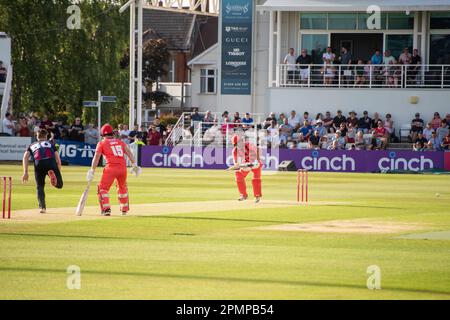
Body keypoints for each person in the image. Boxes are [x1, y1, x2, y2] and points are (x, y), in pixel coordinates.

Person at [87, 124, 141, 216]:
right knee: (122, 188)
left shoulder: (102, 143)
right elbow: (129, 153)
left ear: (103, 134)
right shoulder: (120, 142)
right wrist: (134, 165)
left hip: (110, 168)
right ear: (112, 133)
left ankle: (106, 209)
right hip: (122, 169)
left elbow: (96, 157)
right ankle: (124, 209)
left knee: (103, 189)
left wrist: (92, 170)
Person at [21, 129, 63, 214]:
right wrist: (57, 171)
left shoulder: (32, 145)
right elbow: (58, 159)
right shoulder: (51, 144)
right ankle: (54, 180)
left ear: (37, 136)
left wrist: (25, 172)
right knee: (60, 185)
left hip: (39, 163)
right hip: (51, 162)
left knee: (40, 186)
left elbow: (25, 157)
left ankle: (42, 207)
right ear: (46, 136)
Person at [231, 134, 262, 203]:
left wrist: (257, 160)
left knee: (256, 179)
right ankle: (243, 195)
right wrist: (240, 165)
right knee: (238, 174)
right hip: (246, 165)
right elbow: (236, 163)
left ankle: (257, 196)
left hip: (255, 163)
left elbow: (258, 150)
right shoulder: (235, 151)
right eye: (236, 144)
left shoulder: (249, 145)